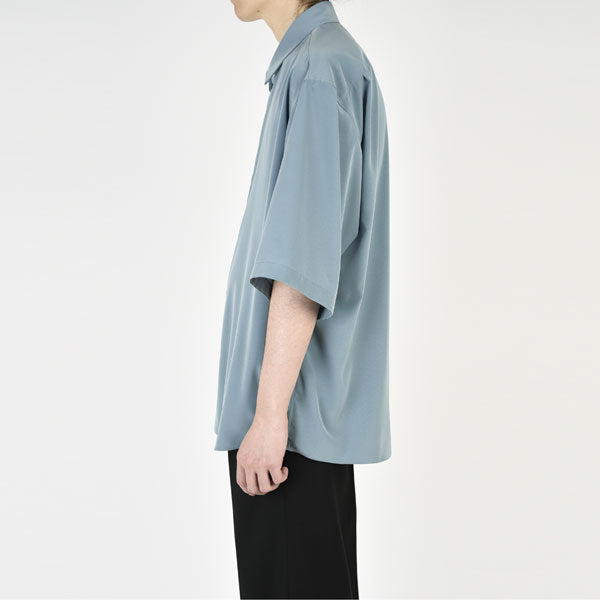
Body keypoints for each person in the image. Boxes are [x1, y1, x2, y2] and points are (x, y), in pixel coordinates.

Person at [214, 0, 391, 597]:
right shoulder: (318, 63)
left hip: (288, 430)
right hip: (298, 423)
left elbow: (302, 265)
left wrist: (268, 417)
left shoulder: (318, 70)